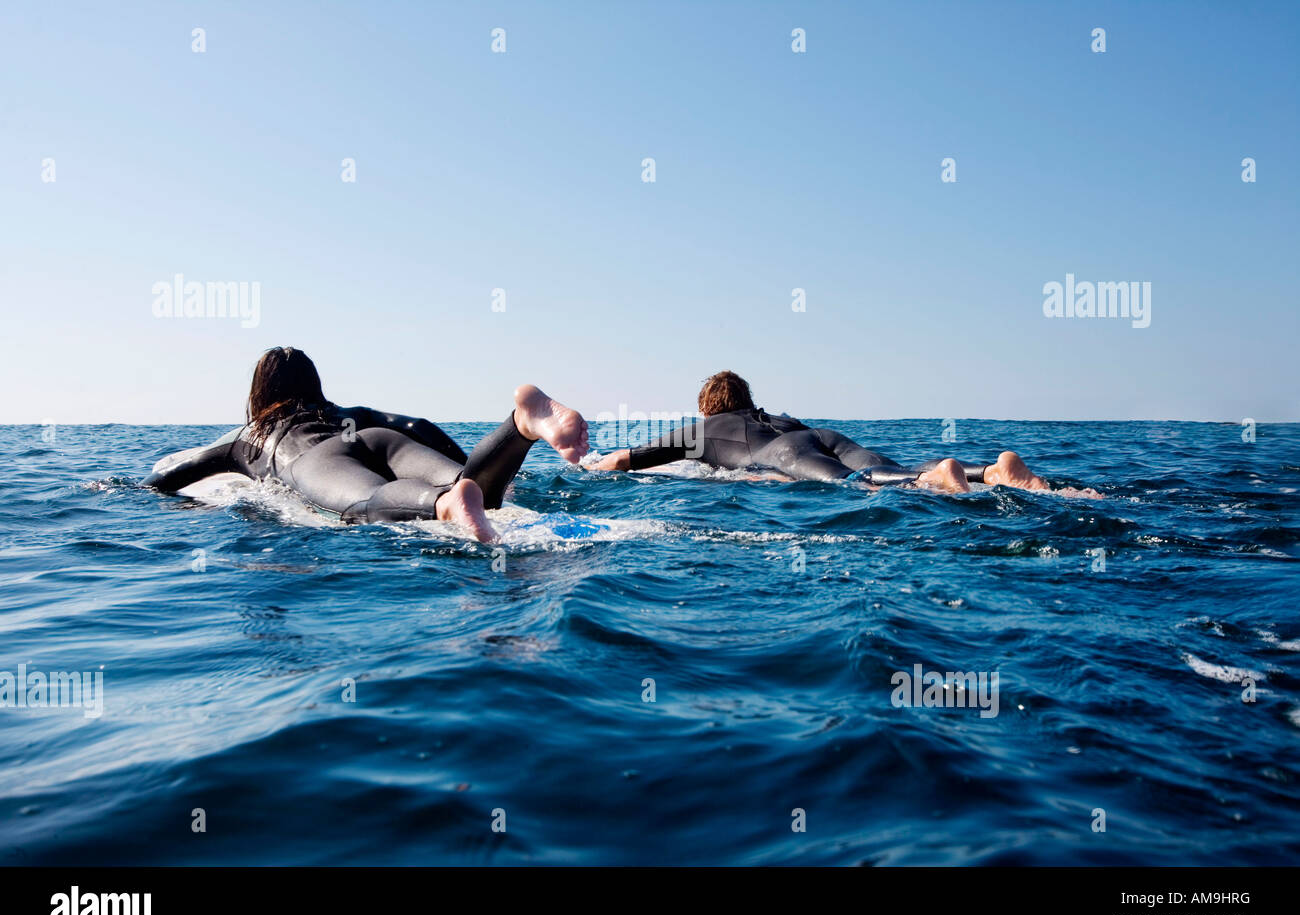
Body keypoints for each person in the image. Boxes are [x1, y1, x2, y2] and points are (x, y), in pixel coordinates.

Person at [144, 347, 588, 541]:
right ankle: (520, 425)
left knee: (366, 501)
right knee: (472, 487)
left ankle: (446, 505)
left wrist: (135, 488)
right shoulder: (344, 412)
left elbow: (174, 475)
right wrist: (461, 468)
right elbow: (417, 424)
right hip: (377, 439)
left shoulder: (250, 438)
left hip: (316, 460)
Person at [586, 370, 1054, 494]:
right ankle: (991, 471)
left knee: (859, 488)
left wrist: (591, 464)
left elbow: (632, 458)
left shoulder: (703, 429)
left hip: (783, 455)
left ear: (708, 409)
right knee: (890, 471)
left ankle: (936, 479)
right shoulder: (775, 415)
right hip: (819, 435)